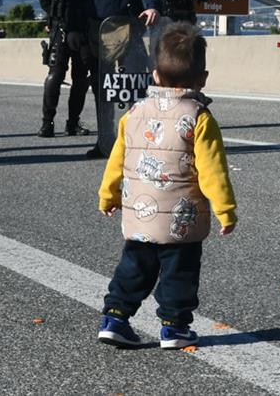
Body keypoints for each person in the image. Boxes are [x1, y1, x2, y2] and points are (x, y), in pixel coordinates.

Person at [96, 22, 236, 349]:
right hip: (181, 220)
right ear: (202, 79)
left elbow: (117, 159)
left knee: (134, 265)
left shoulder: (133, 113)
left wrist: (108, 195)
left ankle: (115, 317)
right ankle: (174, 328)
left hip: (140, 215)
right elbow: (213, 170)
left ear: (154, 75)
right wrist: (225, 211)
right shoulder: (199, 117)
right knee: (179, 272)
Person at [66, 0, 160, 159]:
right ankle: (105, 140)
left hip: (129, 28)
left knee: (135, 85)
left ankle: (137, 139)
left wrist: (151, 6)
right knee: (102, 88)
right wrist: (72, 29)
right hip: (97, 30)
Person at [38, 0, 91, 137]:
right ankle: (47, 122)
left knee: (80, 80)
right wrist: (53, 17)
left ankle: (73, 122)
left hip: (83, 32)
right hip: (61, 30)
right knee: (55, 76)